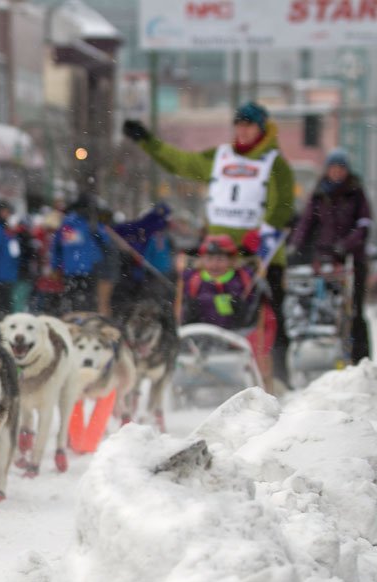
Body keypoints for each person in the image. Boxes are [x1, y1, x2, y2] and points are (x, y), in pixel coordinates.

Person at [123, 101, 295, 385]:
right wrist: (147, 141)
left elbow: (281, 207)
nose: (242, 131)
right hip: (218, 255)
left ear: (262, 129)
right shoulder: (222, 157)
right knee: (208, 310)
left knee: (267, 316)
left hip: (261, 257)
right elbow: (181, 162)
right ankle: (201, 370)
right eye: (238, 125)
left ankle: (276, 375)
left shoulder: (276, 163)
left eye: (249, 125)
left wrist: (256, 238)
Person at [290, 148, 372, 363]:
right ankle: (321, 353)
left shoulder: (355, 193)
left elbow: (363, 226)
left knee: (353, 309)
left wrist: (345, 245)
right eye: (333, 168)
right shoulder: (319, 194)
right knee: (321, 304)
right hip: (325, 258)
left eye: (340, 168)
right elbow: (306, 222)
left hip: (352, 260)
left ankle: (360, 357)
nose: (336, 172)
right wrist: (295, 246)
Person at [50, 195, 110, 314]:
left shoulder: (68, 223)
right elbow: (105, 241)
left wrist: (55, 266)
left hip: (72, 269)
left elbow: (56, 247)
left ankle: (75, 319)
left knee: (71, 300)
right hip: (87, 269)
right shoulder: (85, 223)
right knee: (86, 302)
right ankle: (81, 322)